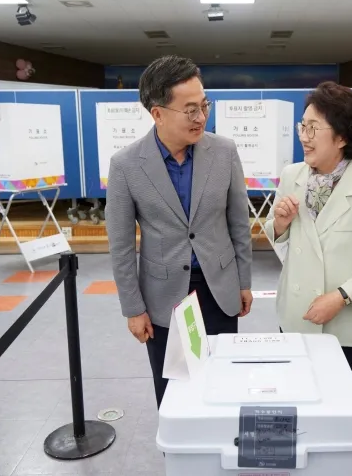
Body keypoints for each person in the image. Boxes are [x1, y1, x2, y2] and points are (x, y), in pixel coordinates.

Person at [106, 55, 253, 409]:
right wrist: (133, 308)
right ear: (157, 113)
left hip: (218, 288)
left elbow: (238, 222)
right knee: (174, 392)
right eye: (189, 110)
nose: (201, 117)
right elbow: (121, 246)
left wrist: (243, 282)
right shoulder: (126, 165)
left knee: (221, 386)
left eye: (204, 105)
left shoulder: (224, 152)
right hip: (164, 297)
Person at [265, 82, 352, 398]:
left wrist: (341, 297)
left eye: (313, 128)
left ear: (342, 137)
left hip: (347, 325)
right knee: (295, 402)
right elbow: (275, 233)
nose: (304, 136)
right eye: (302, 126)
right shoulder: (291, 176)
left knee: (343, 406)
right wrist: (280, 223)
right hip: (296, 315)